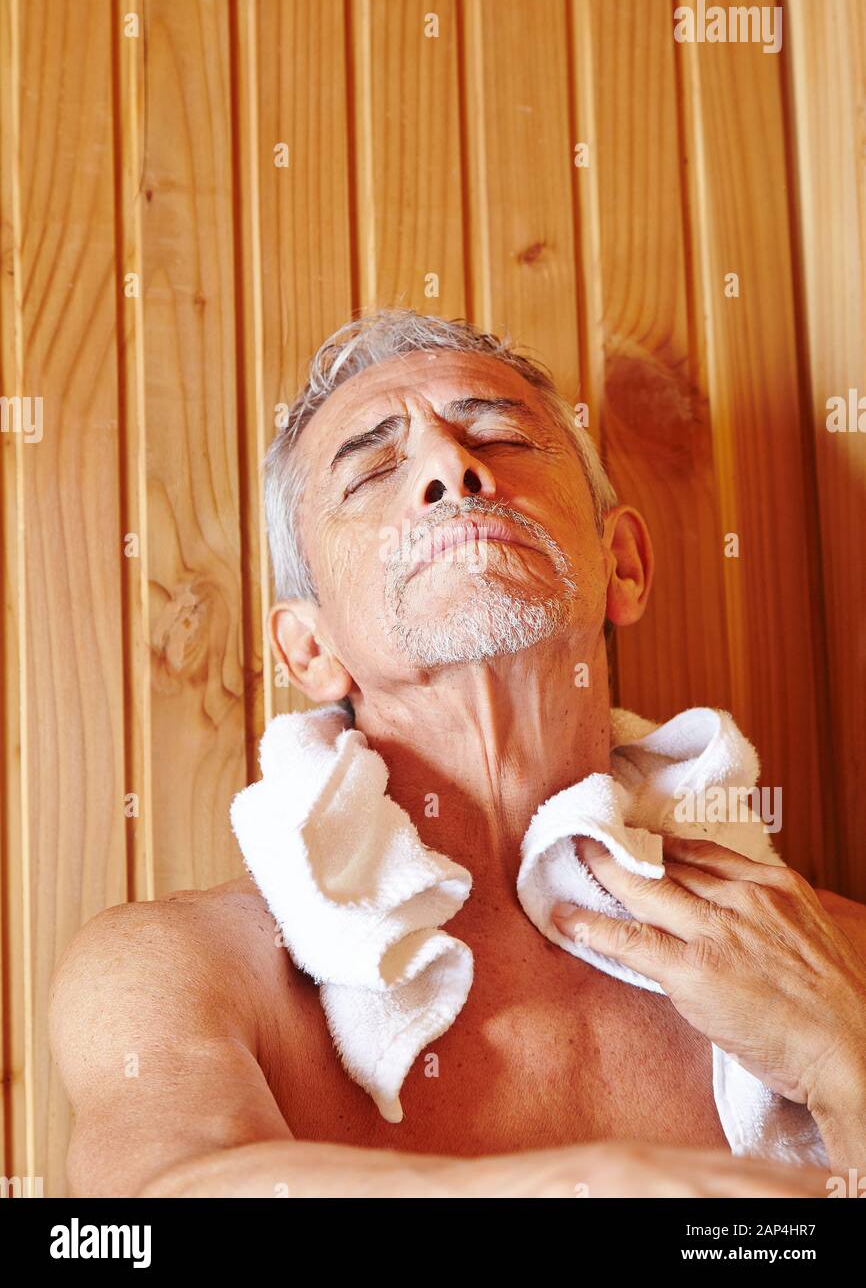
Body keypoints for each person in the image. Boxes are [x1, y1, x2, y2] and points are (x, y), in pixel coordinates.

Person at [50, 310, 866, 1198]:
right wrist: (613, 1185)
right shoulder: (183, 969)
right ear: (310, 650)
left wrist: (843, 1066)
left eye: (502, 436)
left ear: (622, 564)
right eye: (371, 470)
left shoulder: (836, 963)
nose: (450, 466)